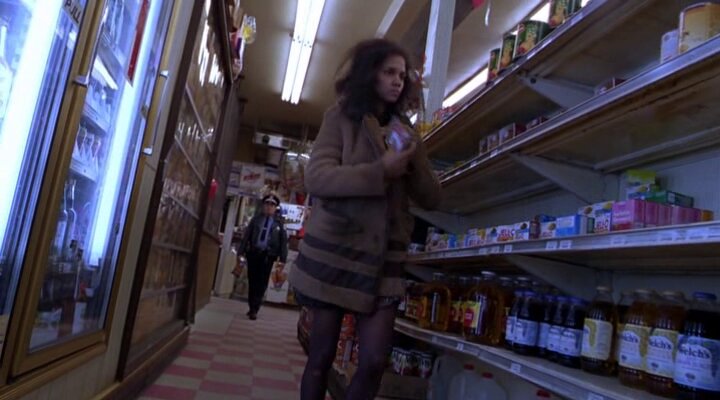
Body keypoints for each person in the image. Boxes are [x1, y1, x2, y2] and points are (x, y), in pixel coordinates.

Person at [289, 39, 441, 400]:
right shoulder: (340, 118)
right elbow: (317, 178)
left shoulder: (406, 131)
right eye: (389, 72)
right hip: (336, 253)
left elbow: (433, 198)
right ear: (369, 73)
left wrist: (414, 160)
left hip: (384, 262)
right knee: (320, 357)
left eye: (402, 75)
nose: (397, 81)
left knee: (374, 361)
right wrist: (380, 171)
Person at [239, 194, 288, 320]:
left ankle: (255, 308)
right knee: (252, 280)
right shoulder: (256, 220)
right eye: (267, 204)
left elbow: (283, 242)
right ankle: (251, 306)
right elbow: (247, 236)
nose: (269, 207)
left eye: (272, 205)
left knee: (262, 282)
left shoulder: (279, 224)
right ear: (263, 206)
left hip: (268, 256)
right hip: (253, 253)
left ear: (275, 208)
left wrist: (283, 259)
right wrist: (241, 252)